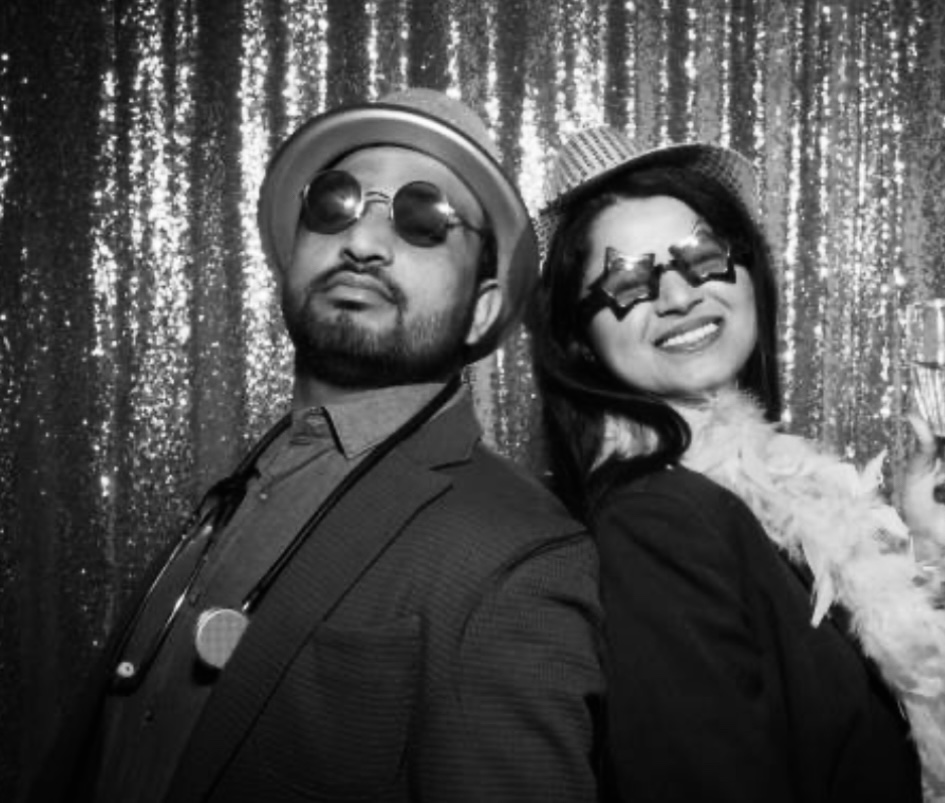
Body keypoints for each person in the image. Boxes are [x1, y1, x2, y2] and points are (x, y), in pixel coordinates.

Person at [32, 89, 601, 803]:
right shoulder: (248, 482)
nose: (361, 241)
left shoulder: (517, 557)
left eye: (423, 218)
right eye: (334, 201)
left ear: (482, 306)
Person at [529, 126, 945, 803]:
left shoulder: (743, 493)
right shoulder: (656, 522)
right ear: (580, 340)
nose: (678, 295)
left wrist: (927, 547)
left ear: (745, 271)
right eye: (627, 281)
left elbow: (867, 708)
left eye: (700, 256)